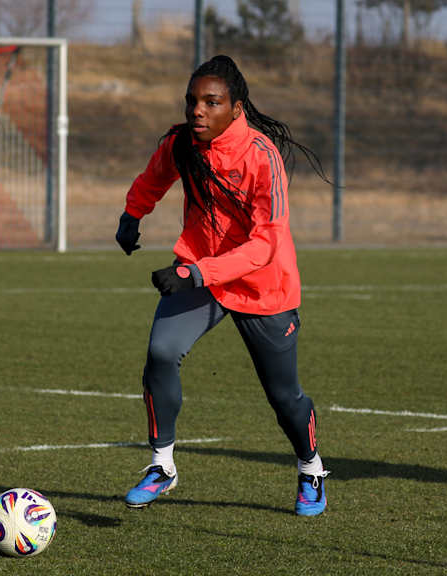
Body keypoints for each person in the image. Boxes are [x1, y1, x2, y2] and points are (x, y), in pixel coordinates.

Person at [115, 55, 331, 516]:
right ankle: (162, 465)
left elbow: (265, 245)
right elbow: (153, 179)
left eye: (211, 102)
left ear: (236, 108)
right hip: (201, 273)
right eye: (192, 101)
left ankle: (310, 467)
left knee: (283, 396)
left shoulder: (262, 156)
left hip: (262, 286)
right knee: (161, 351)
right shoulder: (182, 143)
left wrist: (194, 273)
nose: (198, 110)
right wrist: (133, 214)